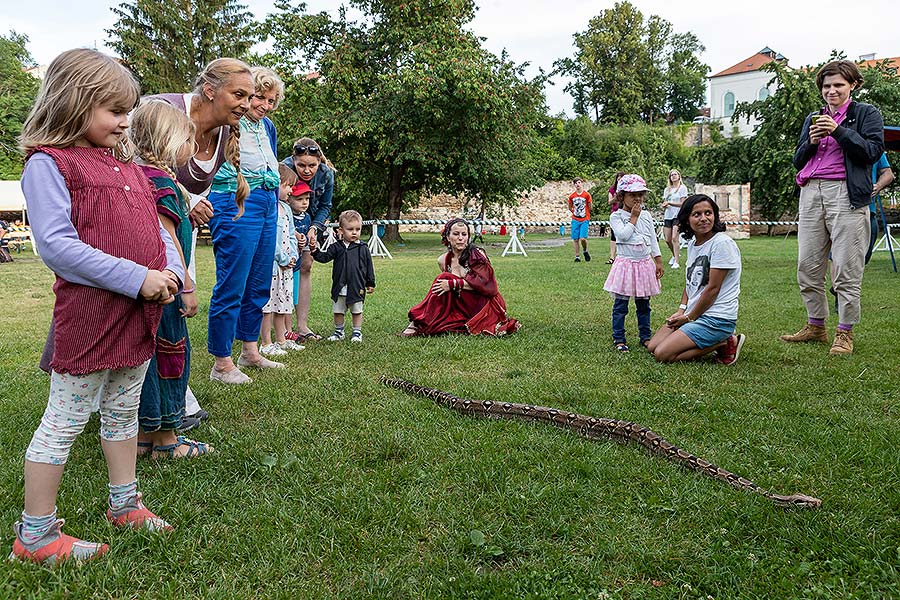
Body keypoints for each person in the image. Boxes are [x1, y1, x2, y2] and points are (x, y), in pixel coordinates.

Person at [13, 49, 181, 563]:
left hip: (139, 314)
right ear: (73, 103)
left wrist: (174, 269)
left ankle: (124, 503)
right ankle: (34, 534)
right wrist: (137, 278)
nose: (125, 121)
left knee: (124, 411)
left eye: (128, 111)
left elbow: (154, 228)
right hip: (90, 318)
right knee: (63, 421)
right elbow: (57, 246)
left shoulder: (126, 164)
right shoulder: (49, 163)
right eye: (113, 110)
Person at [148, 57, 256, 423]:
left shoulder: (226, 129)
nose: (245, 103)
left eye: (249, 96)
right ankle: (155, 402)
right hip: (147, 229)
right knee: (156, 310)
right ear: (209, 90)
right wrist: (187, 201)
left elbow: (198, 189)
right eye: (238, 94)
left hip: (180, 231)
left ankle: (171, 395)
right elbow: (134, 167)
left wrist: (190, 206)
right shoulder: (161, 110)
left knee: (173, 310)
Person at [129, 100, 213, 459]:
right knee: (171, 356)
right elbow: (167, 238)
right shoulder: (162, 182)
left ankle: (144, 437)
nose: (191, 149)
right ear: (168, 140)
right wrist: (188, 287)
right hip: (169, 288)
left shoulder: (135, 175)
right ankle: (167, 440)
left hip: (145, 287)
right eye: (186, 140)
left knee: (149, 358)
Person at [782, 59, 884, 355]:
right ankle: (816, 325)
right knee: (807, 265)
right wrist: (811, 142)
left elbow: (872, 152)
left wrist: (839, 131)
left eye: (838, 84)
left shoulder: (866, 114)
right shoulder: (814, 117)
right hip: (811, 191)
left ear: (852, 85)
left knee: (845, 265)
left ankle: (845, 331)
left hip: (845, 193)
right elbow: (799, 161)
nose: (831, 90)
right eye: (826, 86)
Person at [206, 66, 285, 384]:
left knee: (259, 282)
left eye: (271, 100)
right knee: (233, 283)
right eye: (259, 98)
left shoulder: (267, 126)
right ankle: (221, 362)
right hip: (236, 201)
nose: (264, 105)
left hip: (267, 202)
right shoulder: (225, 124)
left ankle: (250, 350)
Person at [647, 194, 745, 365]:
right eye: (697, 214)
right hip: (695, 314)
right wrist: (681, 310)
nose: (704, 219)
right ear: (687, 219)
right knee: (653, 346)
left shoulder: (722, 244)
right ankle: (711, 338)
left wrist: (689, 317)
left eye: (708, 213)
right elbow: (691, 282)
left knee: (662, 354)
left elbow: (712, 289)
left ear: (715, 215)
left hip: (716, 318)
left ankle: (724, 341)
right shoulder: (693, 244)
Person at [401, 218, 520, 337]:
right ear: (448, 237)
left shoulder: (477, 255)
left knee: (445, 277)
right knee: (441, 323)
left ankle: (418, 320)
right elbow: (447, 295)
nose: (460, 238)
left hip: (485, 303)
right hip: (462, 304)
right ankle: (426, 319)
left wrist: (452, 284)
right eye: (456, 234)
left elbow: (489, 287)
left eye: (464, 234)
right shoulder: (443, 260)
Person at [282, 137, 335, 341]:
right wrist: (291, 231)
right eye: (301, 165)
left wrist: (314, 228)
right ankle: (283, 326)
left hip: (311, 223)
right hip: (286, 224)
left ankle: (302, 325)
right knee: (285, 269)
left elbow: (325, 206)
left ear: (319, 161)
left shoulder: (326, 174)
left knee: (306, 265)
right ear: (293, 160)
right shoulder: (284, 169)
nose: (306, 170)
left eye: (312, 165)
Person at [603, 174, 663, 352]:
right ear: (622, 196)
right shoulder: (616, 216)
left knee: (644, 304)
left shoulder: (647, 216)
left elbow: (653, 239)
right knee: (621, 305)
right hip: (626, 265)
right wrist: (633, 218)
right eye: (632, 195)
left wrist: (658, 260)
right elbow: (622, 235)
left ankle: (645, 336)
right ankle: (619, 338)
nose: (637, 198)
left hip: (644, 264)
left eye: (640, 194)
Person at [310, 210, 375, 343]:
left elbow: (369, 266)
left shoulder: (363, 248)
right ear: (341, 230)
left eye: (358, 229)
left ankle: (357, 332)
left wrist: (370, 283)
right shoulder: (336, 247)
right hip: (339, 285)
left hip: (357, 286)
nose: (354, 232)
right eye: (350, 229)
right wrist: (315, 251)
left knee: (356, 310)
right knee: (338, 311)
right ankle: (339, 332)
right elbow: (324, 257)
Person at [259, 170, 304, 356]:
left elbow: (292, 235)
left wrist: (293, 255)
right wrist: (283, 259)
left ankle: (282, 340)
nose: (291, 191)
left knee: (283, 303)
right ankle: (266, 343)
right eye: (287, 186)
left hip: (287, 266)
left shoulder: (286, 209)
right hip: (273, 266)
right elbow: (269, 239)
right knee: (268, 305)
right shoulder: (268, 208)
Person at [662, 169, 688, 269]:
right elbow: (665, 202)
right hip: (668, 215)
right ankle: (674, 255)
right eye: (671, 175)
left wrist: (670, 203)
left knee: (674, 238)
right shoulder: (667, 190)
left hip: (678, 215)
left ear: (679, 176)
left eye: (675, 174)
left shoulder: (682, 188)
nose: (673, 176)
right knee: (667, 239)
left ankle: (676, 261)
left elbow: (683, 203)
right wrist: (664, 205)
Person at [568, 177, 592, 262]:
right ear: (574, 185)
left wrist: (586, 213)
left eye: (579, 182)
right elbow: (570, 207)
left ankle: (585, 250)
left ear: (582, 183)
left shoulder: (586, 195)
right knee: (575, 239)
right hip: (575, 219)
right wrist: (574, 212)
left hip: (584, 219)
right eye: (575, 183)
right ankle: (577, 256)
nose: (577, 184)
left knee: (583, 238)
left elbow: (590, 207)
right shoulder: (572, 196)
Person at [606, 172, 625, 264]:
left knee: (624, 235)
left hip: (625, 214)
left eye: (621, 177)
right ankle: (612, 257)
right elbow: (609, 202)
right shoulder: (612, 189)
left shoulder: (627, 189)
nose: (619, 178)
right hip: (615, 213)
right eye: (618, 177)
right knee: (613, 236)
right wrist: (616, 198)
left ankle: (621, 256)